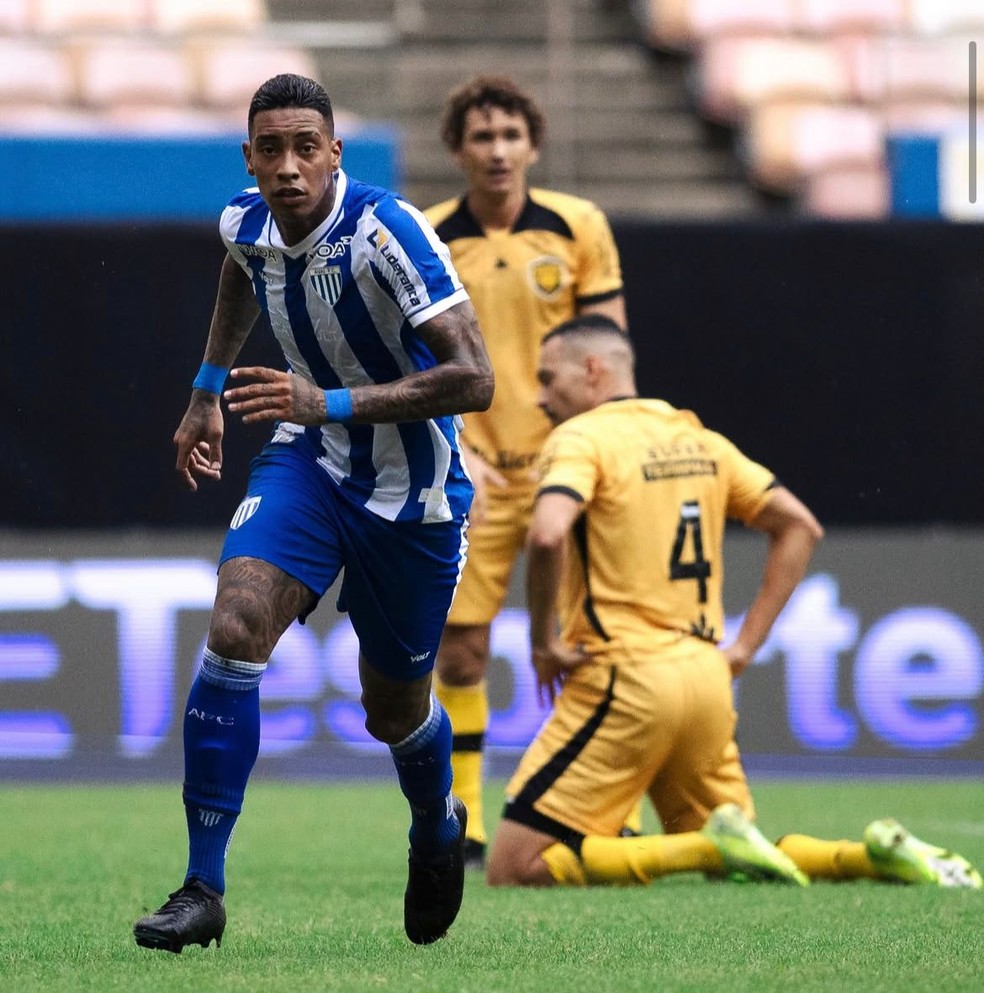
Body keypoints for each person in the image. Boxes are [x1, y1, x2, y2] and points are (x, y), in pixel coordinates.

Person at [132, 73, 495, 952]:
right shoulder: (244, 222)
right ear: (248, 157)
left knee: (393, 708)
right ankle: (202, 886)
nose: (287, 167)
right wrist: (206, 391)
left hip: (410, 494)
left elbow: (475, 378)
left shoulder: (386, 229)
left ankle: (436, 824)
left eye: (306, 148)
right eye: (270, 150)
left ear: (336, 153)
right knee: (236, 622)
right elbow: (239, 272)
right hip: (309, 465)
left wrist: (324, 400)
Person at [486, 314, 981, 892]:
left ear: (592, 370)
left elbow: (547, 533)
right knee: (752, 860)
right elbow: (800, 526)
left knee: (517, 866)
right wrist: (745, 645)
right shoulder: (698, 439)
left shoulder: (580, 439)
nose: (540, 398)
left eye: (548, 379)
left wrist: (542, 641)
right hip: (706, 676)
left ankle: (702, 848)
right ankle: (869, 856)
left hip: (627, 679)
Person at [423, 75, 628, 867]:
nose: (498, 150)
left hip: (566, 473)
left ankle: (599, 809)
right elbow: (417, 358)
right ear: (458, 149)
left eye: (511, 135)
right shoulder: (432, 235)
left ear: (533, 144)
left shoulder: (579, 227)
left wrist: (592, 448)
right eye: (482, 137)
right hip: (473, 473)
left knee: (587, 644)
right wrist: (456, 440)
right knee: (462, 650)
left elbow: (609, 354)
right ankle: (465, 814)